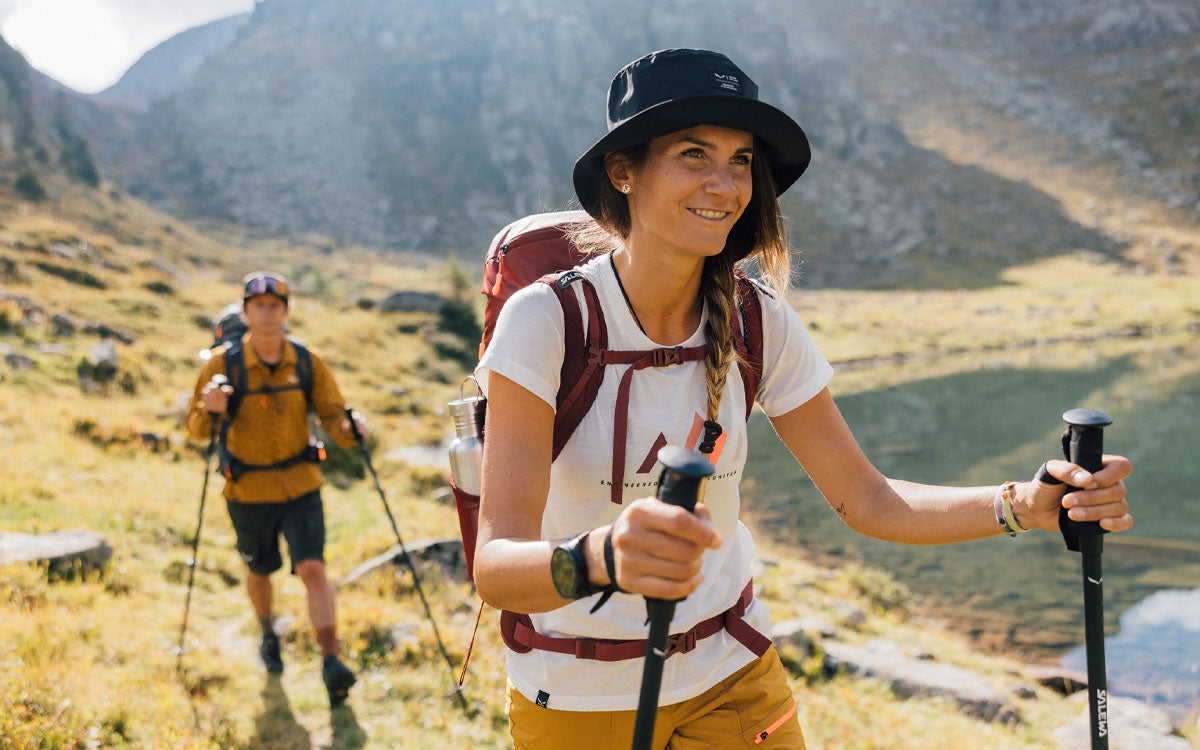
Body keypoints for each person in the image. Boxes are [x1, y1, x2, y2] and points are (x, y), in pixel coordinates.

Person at [472, 49, 1133, 749]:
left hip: (735, 679)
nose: (724, 185)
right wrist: (604, 556)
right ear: (623, 171)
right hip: (578, 698)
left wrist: (1020, 506)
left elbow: (868, 501)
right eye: (694, 154)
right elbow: (496, 568)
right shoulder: (549, 321)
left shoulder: (759, 320)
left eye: (742, 161)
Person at [186, 271, 367, 706]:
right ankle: (268, 633)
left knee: (313, 569)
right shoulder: (220, 366)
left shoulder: (308, 360)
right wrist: (209, 409)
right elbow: (194, 429)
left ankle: (330, 661)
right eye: (258, 305)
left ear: (285, 311)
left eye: (274, 305)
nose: (267, 312)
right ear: (246, 311)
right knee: (260, 570)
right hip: (247, 491)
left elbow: (331, 417)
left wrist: (350, 428)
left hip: (302, 486)